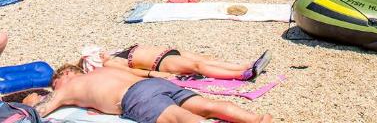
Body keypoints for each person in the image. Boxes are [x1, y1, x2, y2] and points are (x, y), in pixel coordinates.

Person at [24, 65, 271, 123]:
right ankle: (257, 120)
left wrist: (31, 104)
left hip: (135, 96)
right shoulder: (103, 70)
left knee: (182, 119)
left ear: (64, 76)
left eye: (55, 82)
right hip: (155, 86)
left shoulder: (66, 87)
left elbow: (41, 111)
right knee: (208, 106)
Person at [80, 45, 271, 81]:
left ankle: (245, 66)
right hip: (160, 62)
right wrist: (157, 75)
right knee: (199, 67)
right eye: (97, 53)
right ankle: (242, 75)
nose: (101, 52)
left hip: (167, 53)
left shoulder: (115, 55)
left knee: (207, 60)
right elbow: (134, 74)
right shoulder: (110, 64)